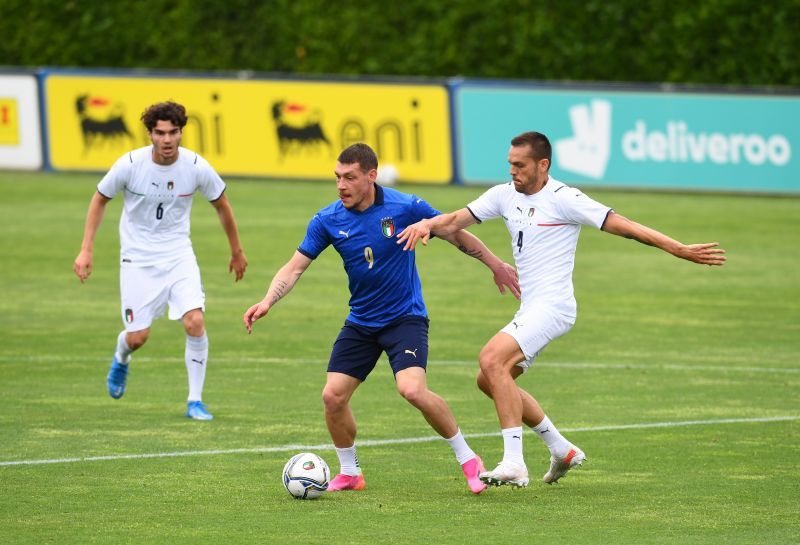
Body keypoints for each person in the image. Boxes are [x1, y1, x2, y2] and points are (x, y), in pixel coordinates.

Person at [397, 131, 726, 488]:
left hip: (554, 307)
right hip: (531, 308)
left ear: (543, 165)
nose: (513, 171)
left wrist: (678, 248)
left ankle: (513, 462)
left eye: (520, 165)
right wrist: (428, 224)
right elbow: (455, 220)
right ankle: (561, 448)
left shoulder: (565, 199)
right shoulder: (503, 195)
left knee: (492, 359)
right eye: (510, 164)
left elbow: (626, 227)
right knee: (490, 379)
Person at [243, 143, 519, 494]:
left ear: (371, 176)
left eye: (350, 178)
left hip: (405, 318)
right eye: (337, 177)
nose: (341, 185)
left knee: (412, 390)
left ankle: (469, 460)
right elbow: (295, 266)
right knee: (333, 396)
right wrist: (269, 299)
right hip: (361, 321)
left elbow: (452, 231)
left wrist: (495, 264)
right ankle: (350, 472)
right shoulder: (328, 219)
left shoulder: (406, 207)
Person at [73, 101, 248, 421]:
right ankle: (121, 355)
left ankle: (195, 401)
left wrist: (236, 251)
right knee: (138, 337)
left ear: (181, 133)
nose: (167, 140)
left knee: (195, 321)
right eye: (159, 133)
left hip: (179, 255)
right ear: (150, 134)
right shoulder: (129, 165)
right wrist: (86, 249)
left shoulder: (195, 167)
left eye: (173, 132)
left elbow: (222, 205)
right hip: (137, 260)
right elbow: (100, 199)